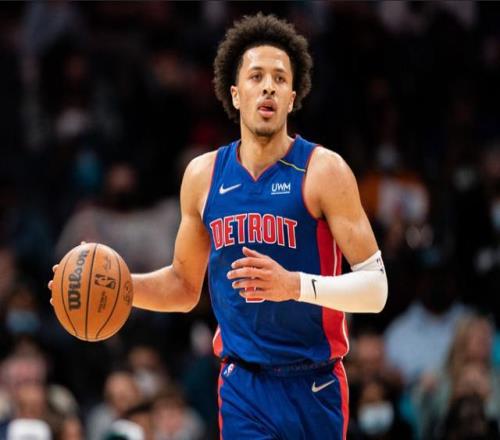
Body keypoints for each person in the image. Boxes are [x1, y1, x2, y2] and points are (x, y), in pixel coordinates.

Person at [49, 12, 388, 440]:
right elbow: (183, 285)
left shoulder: (324, 171)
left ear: (292, 97)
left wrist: (293, 285)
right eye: (256, 76)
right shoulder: (203, 176)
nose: (268, 86)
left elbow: (376, 289)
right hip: (242, 386)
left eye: (280, 79)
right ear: (236, 93)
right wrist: (118, 286)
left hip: (314, 383)